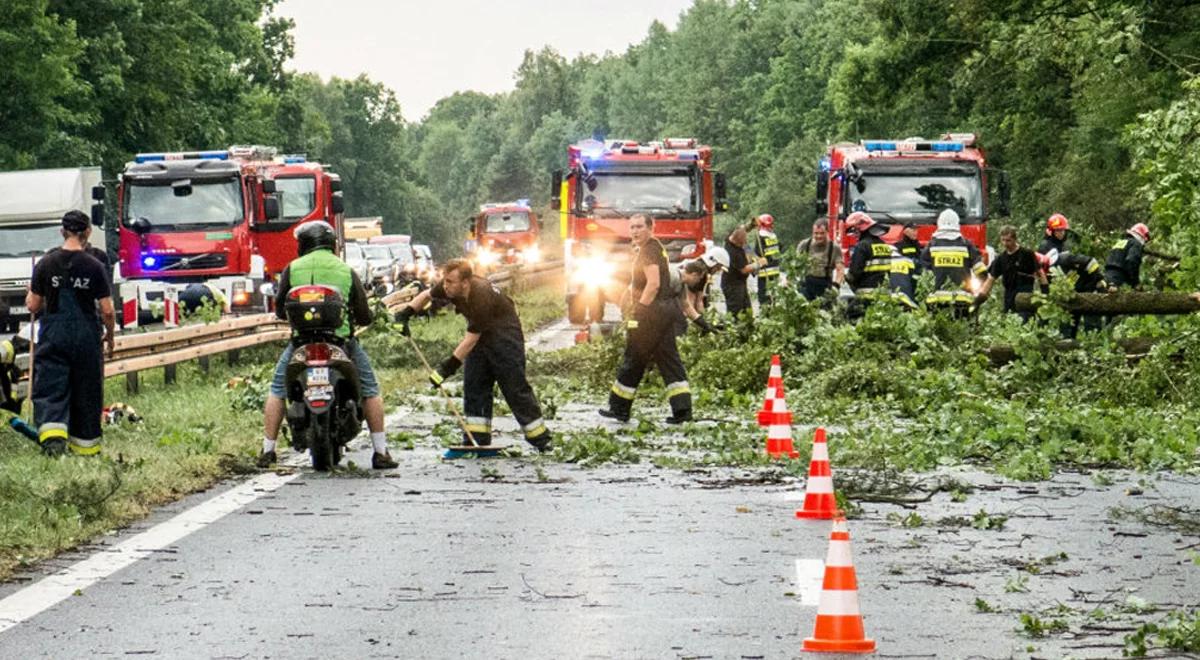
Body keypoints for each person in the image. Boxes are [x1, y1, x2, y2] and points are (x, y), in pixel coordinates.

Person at [259, 221, 397, 469]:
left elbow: (280, 310)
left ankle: (268, 451)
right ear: (332, 244)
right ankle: (381, 452)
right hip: (341, 343)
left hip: (301, 342)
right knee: (370, 389)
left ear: (303, 245)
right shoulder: (345, 270)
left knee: (278, 389)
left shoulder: (292, 268)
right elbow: (364, 314)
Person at [395, 259, 552, 451]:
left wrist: (446, 369)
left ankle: (541, 439)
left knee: (514, 388)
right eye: (445, 281)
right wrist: (406, 314)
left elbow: (470, 340)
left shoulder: (481, 296)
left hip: (505, 338)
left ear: (465, 283)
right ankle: (476, 438)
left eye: (450, 282)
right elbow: (426, 295)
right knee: (474, 384)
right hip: (481, 338)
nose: (446, 286)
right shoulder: (450, 286)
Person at [25, 210, 116, 456]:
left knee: (51, 387)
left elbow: (33, 306)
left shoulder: (46, 263)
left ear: (62, 231)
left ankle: (54, 443)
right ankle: (85, 449)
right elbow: (107, 310)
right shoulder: (95, 265)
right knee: (86, 390)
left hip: (54, 335)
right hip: (87, 336)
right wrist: (110, 337)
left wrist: (29, 292)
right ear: (88, 231)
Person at [599, 214, 692, 424]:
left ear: (651, 228)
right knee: (669, 359)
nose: (634, 231)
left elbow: (654, 284)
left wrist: (639, 311)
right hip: (665, 311)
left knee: (633, 357)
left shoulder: (649, 251)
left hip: (650, 314)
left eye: (639, 227)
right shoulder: (656, 247)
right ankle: (683, 410)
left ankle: (619, 407)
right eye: (632, 227)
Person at [921, 209, 988, 317]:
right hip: (962, 299)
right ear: (957, 224)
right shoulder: (966, 244)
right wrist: (980, 290)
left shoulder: (931, 245)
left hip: (937, 299)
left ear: (939, 223)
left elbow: (923, 271)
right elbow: (980, 270)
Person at [977, 225, 1046, 321]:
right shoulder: (1001, 259)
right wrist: (979, 298)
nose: (1005, 243)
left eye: (1008, 240)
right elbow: (990, 280)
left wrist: (1045, 293)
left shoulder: (1027, 254)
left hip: (1024, 300)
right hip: (1009, 299)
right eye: (1003, 240)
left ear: (1015, 239)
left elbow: (1040, 273)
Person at [667, 249, 728, 336]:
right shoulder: (674, 277)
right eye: (718, 267)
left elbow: (687, 305)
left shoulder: (683, 284)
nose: (698, 281)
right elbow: (691, 302)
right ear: (694, 275)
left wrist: (704, 323)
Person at [1050, 251, 1108, 337]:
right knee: (1069, 322)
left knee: (1091, 321)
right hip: (1074, 294)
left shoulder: (1067, 259)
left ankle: (1093, 341)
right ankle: (1068, 343)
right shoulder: (1052, 271)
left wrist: (1095, 281)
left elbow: (1091, 262)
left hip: (1090, 289)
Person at [844, 212, 893, 296]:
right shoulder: (884, 245)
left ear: (860, 229)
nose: (854, 235)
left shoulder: (862, 246)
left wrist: (846, 278)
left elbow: (855, 272)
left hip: (866, 293)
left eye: (854, 231)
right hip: (884, 294)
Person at [795, 219, 844, 301]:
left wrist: (836, 286)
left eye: (822, 233)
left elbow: (840, 270)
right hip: (806, 286)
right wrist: (787, 282)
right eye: (816, 233)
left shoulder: (834, 248)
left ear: (827, 232)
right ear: (812, 232)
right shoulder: (804, 245)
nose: (819, 236)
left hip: (824, 286)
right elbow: (794, 266)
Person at [721, 226, 756, 318]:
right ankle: (733, 329)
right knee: (736, 311)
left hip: (740, 283)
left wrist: (751, 225)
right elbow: (744, 270)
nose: (743, 245)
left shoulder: (730, 237)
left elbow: (741, 228)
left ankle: (747, 328)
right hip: (732, 285)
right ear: (737, 242)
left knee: (747, 309)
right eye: (742, 244)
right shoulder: (732, 253)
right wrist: (758, 264)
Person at [1105, 223, 1150, 288]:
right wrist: (1135, 282)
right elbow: (1131, 261)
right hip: (1119, 278)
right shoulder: (1136, 244)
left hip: (1108, 275)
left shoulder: (1122, 242)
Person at [751, 214, 781, 305]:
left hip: (764, 273)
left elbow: (757, 254)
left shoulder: (760, 237)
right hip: (775, 273)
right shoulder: (774, 236)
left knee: (764, 300)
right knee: (774, 298)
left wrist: (753, 268)